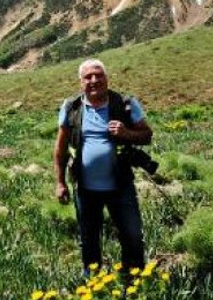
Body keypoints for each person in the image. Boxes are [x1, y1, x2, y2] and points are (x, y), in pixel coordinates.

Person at [53, 59, 153, 275]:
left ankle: (134, 279)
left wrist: (127, 133)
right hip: (85, 189)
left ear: (107, 78)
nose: (94, 80)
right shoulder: (71, 107)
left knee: (132, 235)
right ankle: (93, 284)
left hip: (120, 185)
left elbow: (147, 135)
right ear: (81, 82)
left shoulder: (125, 103)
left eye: (99, 75)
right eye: (88, 77)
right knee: (88, 238)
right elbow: (60, 149)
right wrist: (60, 182)